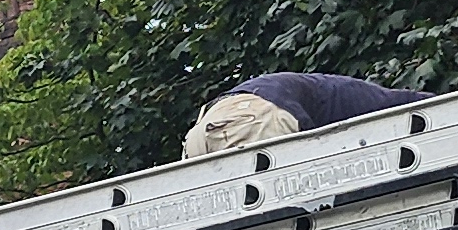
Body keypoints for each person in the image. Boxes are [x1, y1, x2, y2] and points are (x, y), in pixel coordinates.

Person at [185, 72, 432, 158]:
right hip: (254, 117)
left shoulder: (328, 91)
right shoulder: (381, 102)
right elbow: (430, 107)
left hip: (205, 126)